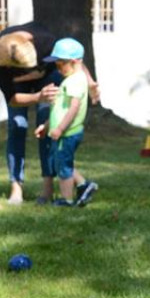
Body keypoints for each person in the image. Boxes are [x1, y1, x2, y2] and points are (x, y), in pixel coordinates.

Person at [0, 22, 100, 205]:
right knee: (17, 125)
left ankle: (47, 188)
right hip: (18, 89)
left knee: (47, 121)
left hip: (48, 75)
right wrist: (37, 97)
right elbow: (13, 98)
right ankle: (16, 187)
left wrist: (91, 83)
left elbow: (75, 59)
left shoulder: (44, 41)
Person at [33, 38, 96, 207]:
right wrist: (46, 125)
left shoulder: (75, 81)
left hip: (67, 133)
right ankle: (83, 185)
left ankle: (66, 199)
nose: (58, 69)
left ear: (74, 62)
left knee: (63, 167)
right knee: (62, 161)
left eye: (61, 65)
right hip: (62, 132)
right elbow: (59, 109)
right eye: (56, 65)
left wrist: (60, 129)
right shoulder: (71, 79)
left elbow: (73, 108)